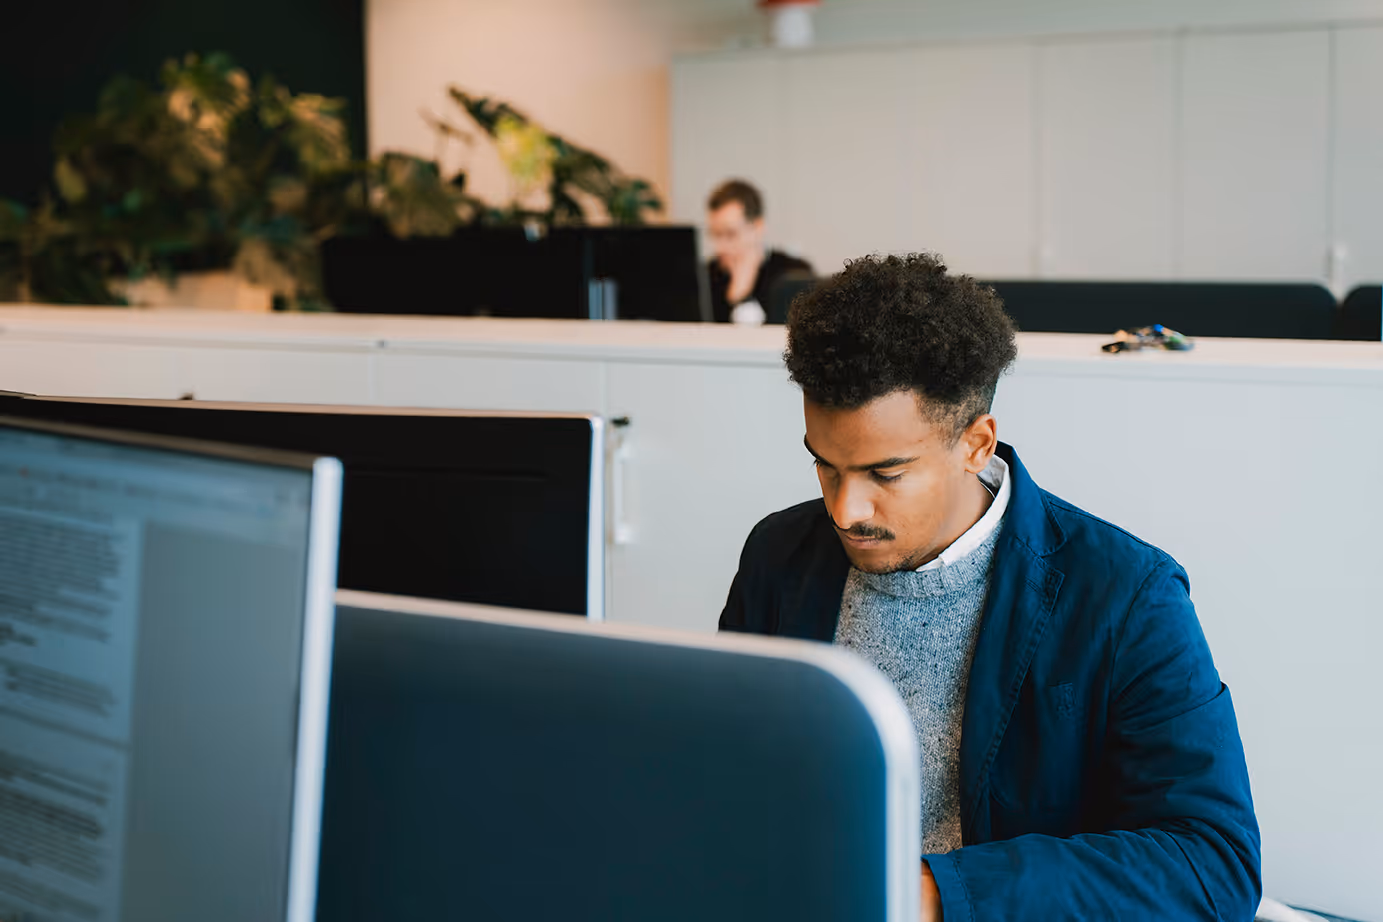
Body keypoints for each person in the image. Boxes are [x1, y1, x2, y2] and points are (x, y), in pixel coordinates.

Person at [719, 253, 1260, 920]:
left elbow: (1210, 865)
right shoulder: (779, 554)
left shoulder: (1124, 594)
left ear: (976, 444)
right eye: (824, 466)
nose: (845, 509)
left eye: (884, 474)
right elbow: (729, 776)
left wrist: (931, 895)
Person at [705, 179, 812, 325]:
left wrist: (741, 296)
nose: (720, 247)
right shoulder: (707, 276)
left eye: (731, 234)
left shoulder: (794, 272)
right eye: (715, 235)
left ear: (758, 227)